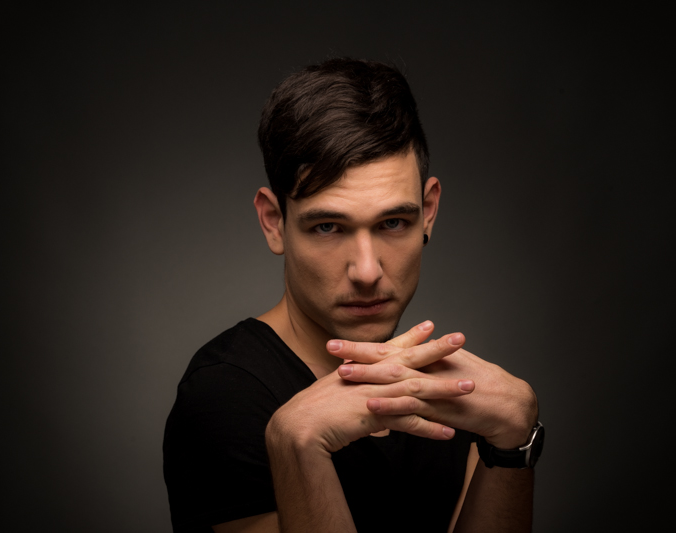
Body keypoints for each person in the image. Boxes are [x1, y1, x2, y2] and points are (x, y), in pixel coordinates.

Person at [163, 58, 543, 533]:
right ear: (274, 222)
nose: (367, 272)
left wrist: (514, 446)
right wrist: (297, 447)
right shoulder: (223, 395)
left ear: (428, 212)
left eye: (393, 222)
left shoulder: (449, 390)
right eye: (327, 226)